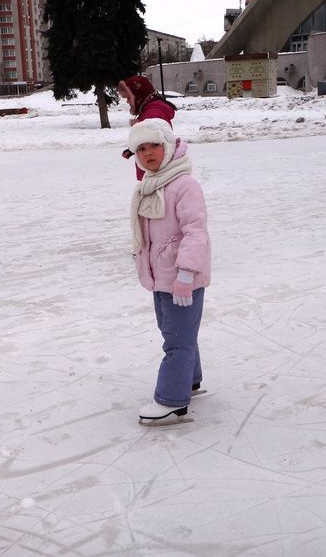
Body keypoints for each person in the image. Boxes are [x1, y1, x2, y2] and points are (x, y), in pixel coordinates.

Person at [128, 118, 211, 422]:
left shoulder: (183, 185)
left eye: (153, 146)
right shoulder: (150, 186)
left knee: (177, 339)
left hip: (182, 278)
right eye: (141, 149)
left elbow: (195, 231)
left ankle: (172, 398)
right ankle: (190, 379)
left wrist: (187, 273)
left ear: (169, 146)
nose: (148, 154)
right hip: (162, 278)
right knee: (177, 332)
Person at [118, 75, 177, 181]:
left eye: (129, 97)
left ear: (138, 96)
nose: (127, 101)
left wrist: (139, 128)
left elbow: (160, 143)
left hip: (155, 174)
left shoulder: (152, 114)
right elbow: (152, 140)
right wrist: (133, 148)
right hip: (155, 172)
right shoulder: (151, 110)